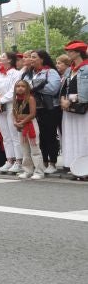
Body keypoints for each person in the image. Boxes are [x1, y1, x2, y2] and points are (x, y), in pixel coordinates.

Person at [21, 50, 62, 174]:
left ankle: (52, 162)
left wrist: (34, 87)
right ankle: (42, 162)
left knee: (49, 135)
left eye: (34, 57)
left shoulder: (51, 71)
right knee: (38, 137)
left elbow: (53, 89)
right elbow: (22, 88)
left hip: (48, 109)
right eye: (30, 57)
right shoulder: (28, 73)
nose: (31, 59)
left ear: (42, 59)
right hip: (33, 109)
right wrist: (34, 86)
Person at [59, 41, 88, 180]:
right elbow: (64, 87)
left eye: (70, 51)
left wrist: (71, 100)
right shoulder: (70, 70)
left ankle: (85, 169)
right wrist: (63, 100)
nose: (68, 53)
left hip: (82, 107)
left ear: (78, 53)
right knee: (71, 136)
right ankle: (75, 167)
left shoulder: (86, 68)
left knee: (83, 137)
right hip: (69, 107)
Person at [12, 80, 44, 179]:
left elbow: (32, 114)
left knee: (35, 149)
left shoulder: (30, 98)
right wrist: (15, 122)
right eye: (18, 86)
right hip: (20, 125)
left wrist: (22, 122)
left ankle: (39, 172)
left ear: (27, 88)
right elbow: (13, 112)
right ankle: (27, 170)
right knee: (25, 149)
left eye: (23, 86)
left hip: (30, 125)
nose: (20, 88)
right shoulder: (15, 99)